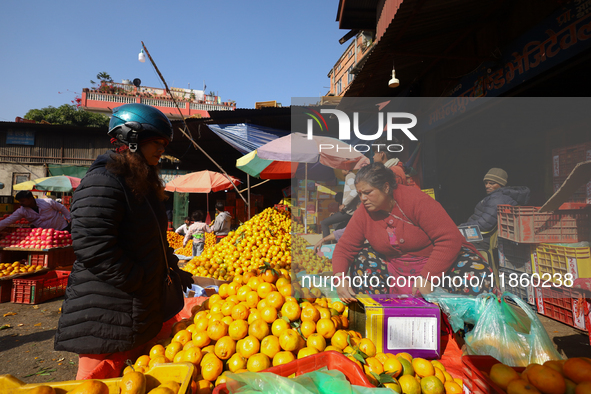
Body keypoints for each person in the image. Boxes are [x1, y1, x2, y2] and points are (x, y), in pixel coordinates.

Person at [54, 103, 193, 379]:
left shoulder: (138, 182)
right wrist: (140, 279)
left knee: (130, 381)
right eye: (156, 142)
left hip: (133, 310)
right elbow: (93, 245)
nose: (162, 149)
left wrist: (172, 270)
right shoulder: (104, 181)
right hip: (104, 314)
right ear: (131, 139)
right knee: (96, 382)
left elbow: (152, 241)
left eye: (164, 142)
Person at [332, 163, 494, 303]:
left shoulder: (416, 200)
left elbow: (449, 239)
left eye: (368, 192)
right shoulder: (364, 213)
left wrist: (429, 276)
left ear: (386, 187)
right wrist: (339, 278)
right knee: (363, 258)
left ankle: (464, 330)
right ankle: (380, 314)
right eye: (360, 194)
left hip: (437, 265)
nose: (363, 198)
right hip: (395, 268)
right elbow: (345, 248)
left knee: (476, 273)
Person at [461, 168, 530, 250]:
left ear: (501, 184)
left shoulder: (497, 199)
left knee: (451, 241)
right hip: (479, 234)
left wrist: (461, 227)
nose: (487, 186)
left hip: (483, 238)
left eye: (492, 183)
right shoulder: (499, 196)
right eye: (486, 183)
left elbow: (484, 224)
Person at [0, 191, 71, 232]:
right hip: (45, 234)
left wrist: (70, 220)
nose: (20, 203)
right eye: (19, 201)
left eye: (22, 201)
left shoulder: (48, 202)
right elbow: (8, 220)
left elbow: (62, 208)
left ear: (30, 199)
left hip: (62, 228)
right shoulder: (21, 211)